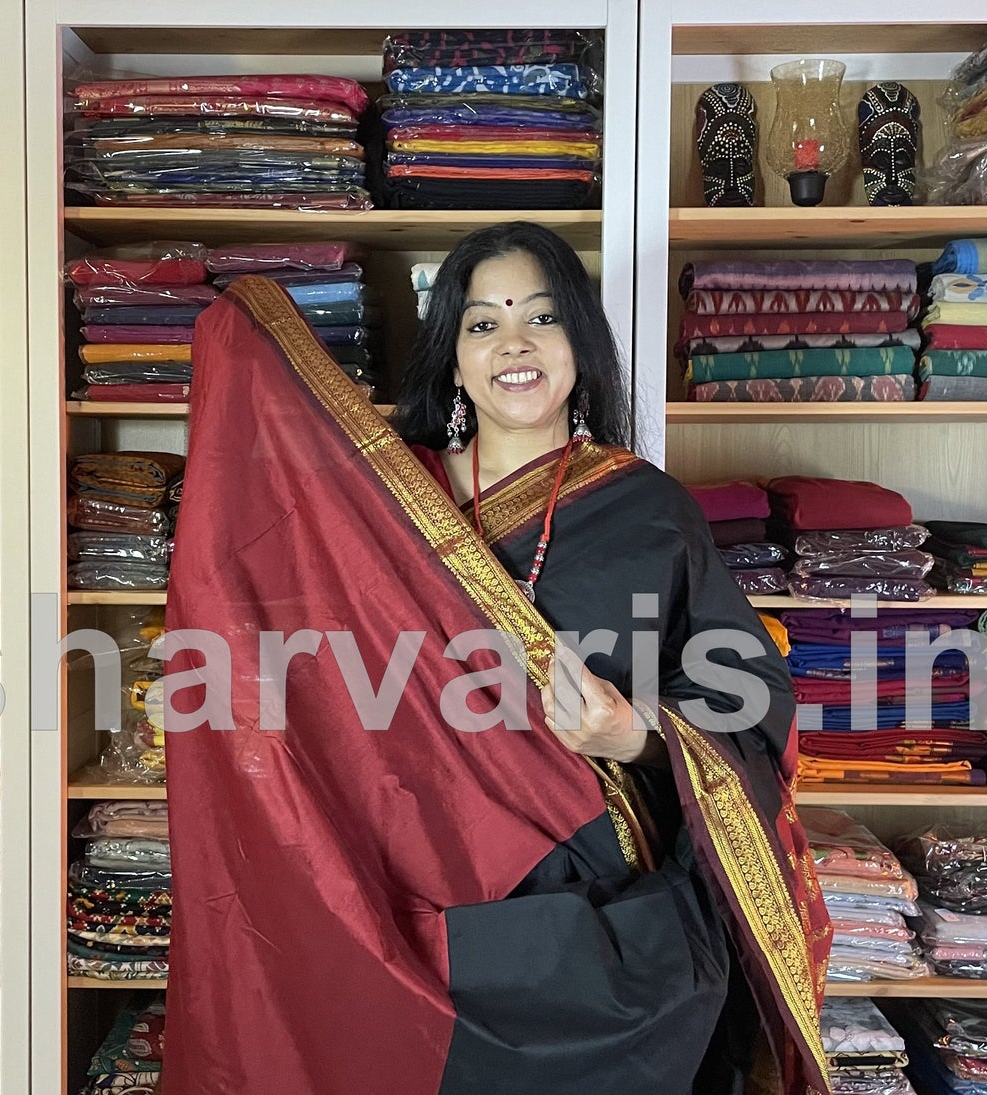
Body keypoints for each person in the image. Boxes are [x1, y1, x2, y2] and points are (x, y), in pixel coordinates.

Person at [163, 223, 831, 1095]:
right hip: (396, 883)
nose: (513, 344)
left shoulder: (649, 510)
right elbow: (275, 636)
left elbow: (750, 698)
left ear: (580, 347)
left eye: (541, 318)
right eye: (482, 324)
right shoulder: (377, 506)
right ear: (452, 359)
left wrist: (635, 734)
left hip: (588, 916)